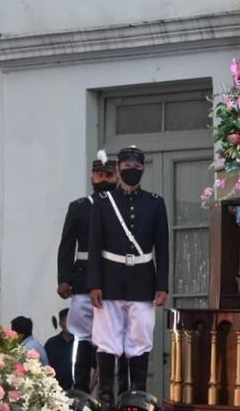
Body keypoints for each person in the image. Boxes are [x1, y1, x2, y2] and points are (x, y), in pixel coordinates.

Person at [87, 145, 169, 407]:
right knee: (106, 340)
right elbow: (94, 245)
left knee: (140, 338)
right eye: (127, 166)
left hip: (143, 280)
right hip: (109, 280)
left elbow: (162, 247)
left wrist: (162, 284)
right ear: (119, 168)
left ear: (143, 168)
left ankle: (138, 396)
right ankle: (106, 398)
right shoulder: (103, 202)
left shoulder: (155, 203)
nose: (132, 170)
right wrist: (94, 284)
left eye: (136, 167)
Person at [59, 150, 118, 392]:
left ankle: (108, 392)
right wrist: (64, 278)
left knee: (112, 337)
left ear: (116, 178)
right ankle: (80, 388)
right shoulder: (79, 207)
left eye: (108, 175)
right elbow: (67, 244)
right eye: (99, 175)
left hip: (114, 279)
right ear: (92, 178)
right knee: (82, 336)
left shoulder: (125, 207)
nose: (103, 179)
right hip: (83, 279)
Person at [45, 309, 75, 390]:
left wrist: (88, 389)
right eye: (68, 321)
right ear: (61, 324)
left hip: (78, 392)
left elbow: (97, 368)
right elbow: (44, 366)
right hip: (55, 391)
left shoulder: (82, 344)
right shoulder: (51, 343)